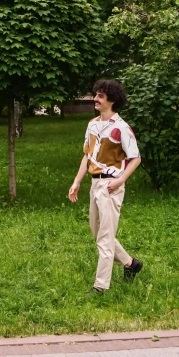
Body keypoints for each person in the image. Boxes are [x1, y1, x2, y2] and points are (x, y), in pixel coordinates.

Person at [68, 79, 143, 294]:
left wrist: (120, 181)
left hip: (111, 186)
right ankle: (131, 264)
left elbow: (135, 158)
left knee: (105, 238)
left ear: (112, 100)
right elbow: (87, 155)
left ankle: (100, 287)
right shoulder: (92, 124)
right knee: (98, 232)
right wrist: (76, 182)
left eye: (100, 96)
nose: (95, 99)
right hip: (95, 184)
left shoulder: (122, 128)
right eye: (96, 94)